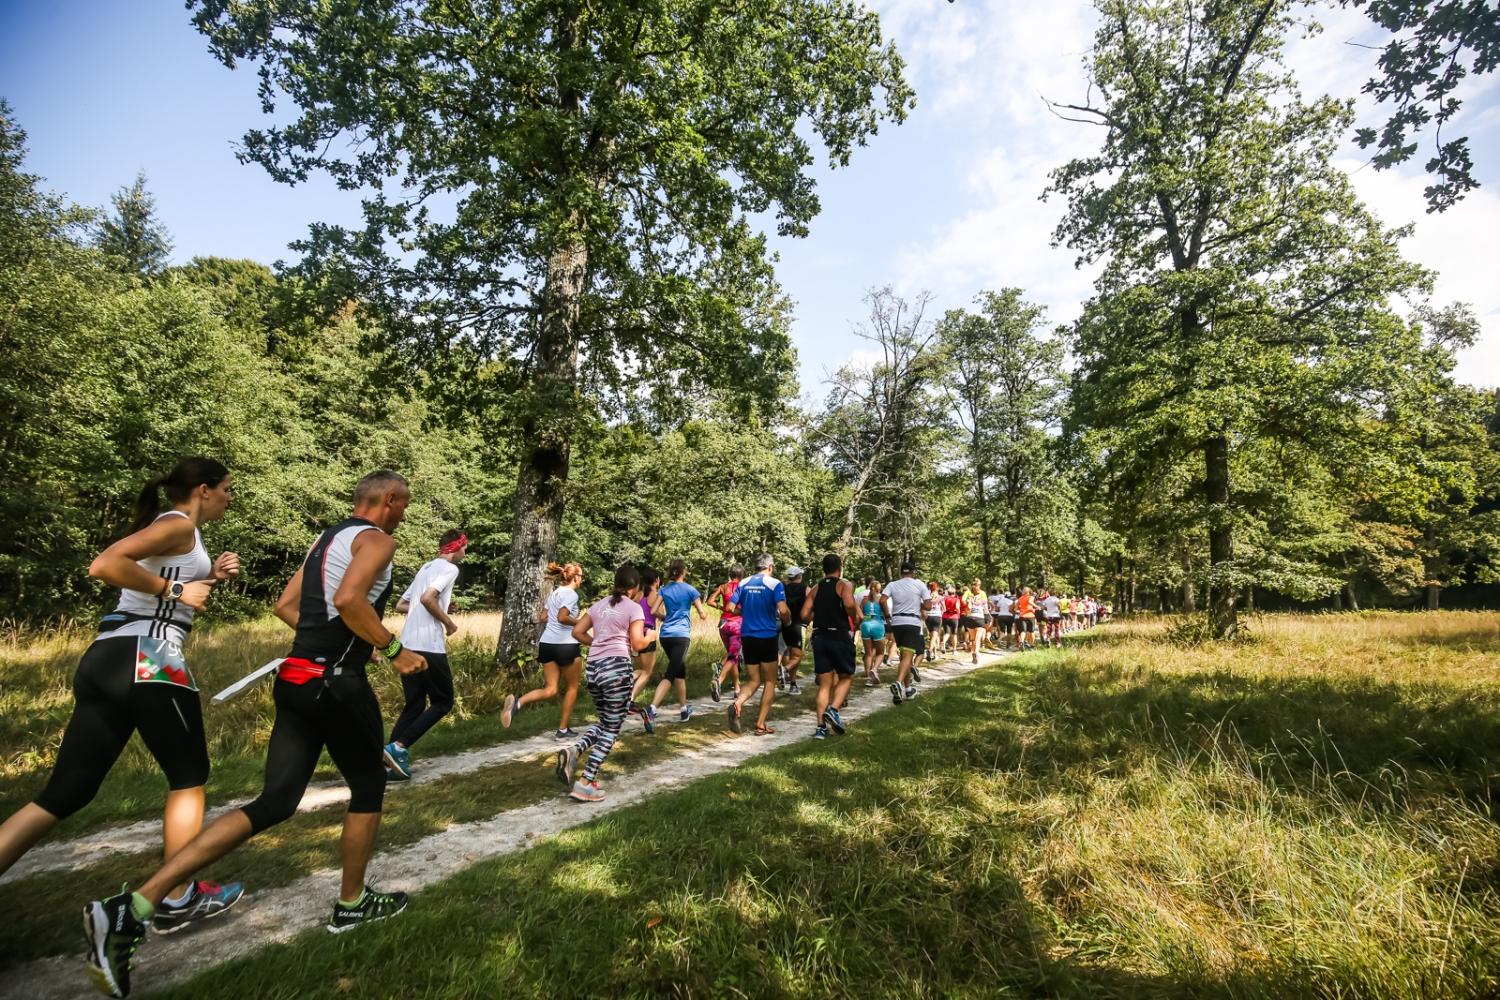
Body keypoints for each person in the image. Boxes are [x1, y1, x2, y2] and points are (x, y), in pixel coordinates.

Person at [84, 471, 427, 999]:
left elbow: (287, 607)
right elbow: (351, 599)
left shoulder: (326, 539)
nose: (404, 512)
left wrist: (325, 643)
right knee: (368, 786)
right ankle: (353, 903)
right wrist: (392, 647)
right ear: (388, 500)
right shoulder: (379, 538)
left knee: (275, 801)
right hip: (336, 684)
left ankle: (132, 907)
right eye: (403, 504)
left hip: (294, 676)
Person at [0, 460, 244, 940]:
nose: (230, 498)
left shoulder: (180, 531)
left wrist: (208, 577)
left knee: (66, 792)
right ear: (203, 490)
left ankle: (177, 895)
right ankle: (177, 897)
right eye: (227, 490)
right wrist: (178, 587)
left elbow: (167, 595)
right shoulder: (176, 523)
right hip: (149, 658)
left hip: (107, 657)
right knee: (189, 778)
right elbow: (106, 565)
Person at [556, 564, 657, 802]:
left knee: (605, 721)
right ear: (634, 588)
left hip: (594, 669)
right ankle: (585, 782)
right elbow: (637, 644)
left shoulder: (599, 605)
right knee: (613, 728)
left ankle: (575, 750)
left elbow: (577, 632)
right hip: (617, 670)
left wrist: (598, 644)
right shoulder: (633, 608)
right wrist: (651, 636)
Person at [383, 528, 467, 780]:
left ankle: (389, 760)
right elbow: (428, 598)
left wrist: (441, 607)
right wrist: (448, 622)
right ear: (455, 547)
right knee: (443, 702)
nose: (466, 551)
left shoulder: (426, 567)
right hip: (429, 645)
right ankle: (399, 746)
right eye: (465, 547)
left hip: (407, 643)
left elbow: (401, 604)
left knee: (415, 703)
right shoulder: (451, 569)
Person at [503, 562, 583, 738]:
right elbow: (562, 617)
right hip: (566, 645)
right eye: (581, 577)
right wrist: (581, 622)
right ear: (575, 578)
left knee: (551, 689)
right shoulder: (571, 594)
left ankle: (518, 702)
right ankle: (562, 730)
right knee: (572, 687)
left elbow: (543, 617)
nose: (582, 580)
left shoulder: (554, 593)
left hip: (547, 644)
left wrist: (556, 621)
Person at [726, 553, 789, 736]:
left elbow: (730, 608)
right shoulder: (775, 584)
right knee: (770, 681)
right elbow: (783, 610)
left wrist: (745, 610)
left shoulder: (743, 583)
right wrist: (787, 619)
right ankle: (760, 724)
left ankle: (737, 704)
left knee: (753, 680)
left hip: (748, 636)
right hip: (767, 636)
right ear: (770, 567)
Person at [801, 553, 861, 740]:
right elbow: (850, 603)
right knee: (846, 676)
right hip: (839, 634)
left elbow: (804, 615)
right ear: (839, 567)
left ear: (823, 569)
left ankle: (820, 728)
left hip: (819, 636)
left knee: (824, 684)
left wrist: (818, 614)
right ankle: (833, 710)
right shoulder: (844, 585)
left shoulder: (816, 588)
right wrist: (854, 617)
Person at [647, 559, 708, 726]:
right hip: (681, 636)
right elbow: (702, 613)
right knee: (671, 673)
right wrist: (703, 615)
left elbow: (653, 611)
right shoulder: (690, 590)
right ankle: (652, 709)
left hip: (665, 635)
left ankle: (683, 709)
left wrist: (665, 617)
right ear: (684, 572)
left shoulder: (664, 590)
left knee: (680, 671)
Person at [884, 562, 932, 705]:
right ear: (913, 572)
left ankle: (908, 689)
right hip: (912, 622)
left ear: (900, 572)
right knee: (907, 656)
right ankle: (898, 683)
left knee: (905, 655)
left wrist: (887, 616)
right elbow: (929, 606)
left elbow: (882, 600)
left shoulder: (892, 584)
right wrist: (918, 603)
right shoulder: (919, 584)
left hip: (897, 622)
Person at [627, 568, 666, 732]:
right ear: (656, 580)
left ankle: (626, 681)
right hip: (647, 633)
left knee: (640, 669)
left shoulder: (639, 594)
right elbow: (660, 613)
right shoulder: (655, 595)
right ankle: (630, 700)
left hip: (633, 633)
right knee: (647, 672)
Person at [706, 565, 745, 703]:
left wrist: (722, 607)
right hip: (737, 624)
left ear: (730, 574)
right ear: (742, 575)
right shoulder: (743, 587)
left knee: (731, 655)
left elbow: (709, 601)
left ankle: (737, 688)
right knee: (733, 656)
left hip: (723, 624)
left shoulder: (723, 587)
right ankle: (719, 681)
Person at [778, 566, 808, 695]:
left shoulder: (782, 588)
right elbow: (813, 603)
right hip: (799, 625)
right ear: (799, 576)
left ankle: (793, 684)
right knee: (797, 656)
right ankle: (784, 671)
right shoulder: (805, 588)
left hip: (785, 625)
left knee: (788, 653)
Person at [859, 581, 888, 685]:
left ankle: (868, 678)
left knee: (868, 653)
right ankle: (874, 669)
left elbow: (860, 613)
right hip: (878, 625)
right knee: (880, 652)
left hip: (866, 625)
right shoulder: (881, 599)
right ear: (879, 589)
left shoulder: (864, 599)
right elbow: (886, 613)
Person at [962, 578, 989, 665]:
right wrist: (988, 616)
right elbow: (985, 606)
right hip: (979, 618)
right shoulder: (982, 593)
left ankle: (973, 652)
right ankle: (976, 651)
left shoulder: (968, 592)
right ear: (979, 585)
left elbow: (962, 600)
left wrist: (967, 604)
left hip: (970, 617)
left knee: (973, 638)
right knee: (978, 638)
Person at [923, 579, 943, 662]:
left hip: (928, 617)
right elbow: (944, 608)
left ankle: (934, 654)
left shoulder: (927, 596)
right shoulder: (940, 597)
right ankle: (930, 650)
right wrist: (940, 613)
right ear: (936, 587)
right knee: (935, 636)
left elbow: (924, 606)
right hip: (937, 616)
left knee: (932, 636)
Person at [1014, 586, 1037, 650]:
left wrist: (1021, 610)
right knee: (1032, 631)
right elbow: (1030, 602)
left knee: (1023, 631)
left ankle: (1021, 642)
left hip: (1022, 616)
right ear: (1029, 592)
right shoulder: (1031, 597)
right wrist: (1036, 606)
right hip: (1030, 616)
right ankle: (1032, 646)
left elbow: (1015, 609)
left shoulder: (1020, 598)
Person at [940, 585, 961, 655]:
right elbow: (957, 607)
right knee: (954, 634)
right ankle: (954, 650)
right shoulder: (956, 599)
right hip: (954, 617)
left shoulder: (944, 599)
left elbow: (942, 608)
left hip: (945, 617)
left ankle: (943, 642)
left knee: (947, 633)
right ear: (954, 593)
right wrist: (958, 612)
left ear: (948, 593)